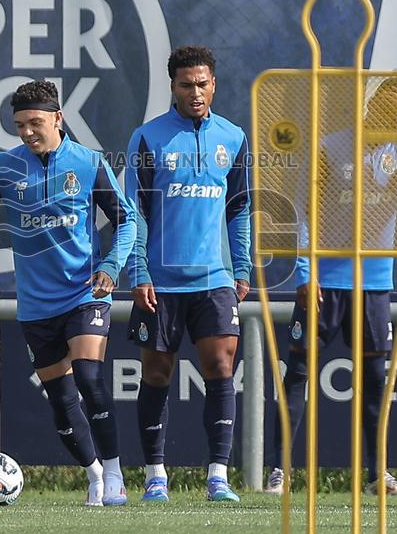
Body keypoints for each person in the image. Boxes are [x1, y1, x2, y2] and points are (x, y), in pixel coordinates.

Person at [0, 80, 135, 506]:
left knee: (89, 376)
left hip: (85, 293)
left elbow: (127, 220)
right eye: (19, 125)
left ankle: (115, 474)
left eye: (35, 123)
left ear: (57, 118)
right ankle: (92, 475)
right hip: (36, 304)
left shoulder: (88, 163)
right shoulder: (6, 166)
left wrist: (110, 266)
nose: (28, 132)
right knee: (61, 398)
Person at [265, 78, 397, 496]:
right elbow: (305, 214)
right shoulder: (331, 147)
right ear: (370, 107)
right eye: (388, 107)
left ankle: (378, 475)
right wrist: (306, 275)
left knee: (375, 381)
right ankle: (280, 472)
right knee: (299, 375)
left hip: (375, 284)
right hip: (326, 284)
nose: (391, 116)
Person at [125, 45, 251, 502]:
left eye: (202, 84)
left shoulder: (234, 137)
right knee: (157, 372)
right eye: (185, 85)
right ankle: (155, 474)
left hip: (215, 279)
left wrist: (242, 265)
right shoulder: (147, 137)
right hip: (159, 280)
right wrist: (139, 270)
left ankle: (218, 475)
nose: (195, 92)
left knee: (220, 366)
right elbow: (133, 210)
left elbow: (240, 207)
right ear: (172, 87)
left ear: (214, 84)